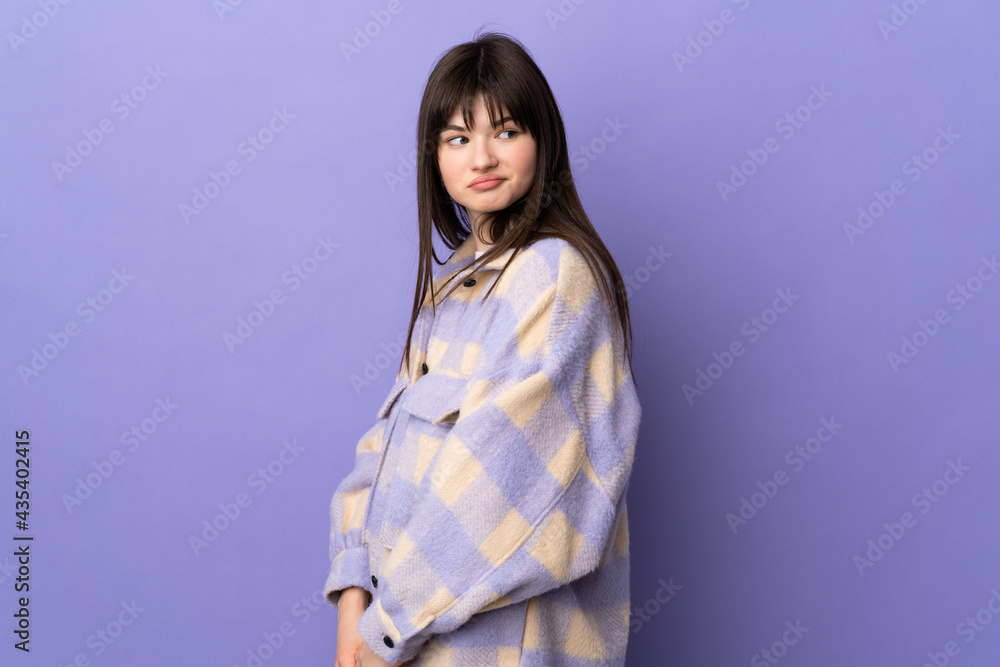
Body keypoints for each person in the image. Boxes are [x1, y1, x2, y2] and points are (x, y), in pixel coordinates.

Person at [324, 29, 642, 667]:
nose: (483, 158)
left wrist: (386, 629)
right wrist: (354, 589)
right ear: (434, 156)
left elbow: (499, 488)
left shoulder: (554, 278)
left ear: (542, 140)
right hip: (408, 639)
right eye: (458, 138)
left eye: (506, 130)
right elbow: (381, 448)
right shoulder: (454, 285)